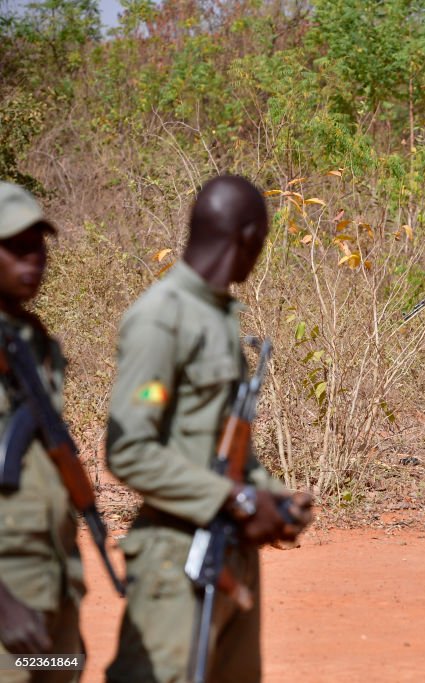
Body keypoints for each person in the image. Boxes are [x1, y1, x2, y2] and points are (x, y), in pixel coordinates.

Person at [105, 175, 313, 683]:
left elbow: (224, 447)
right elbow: (128, 449)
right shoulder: (162, 318)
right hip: (177, 559)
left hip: (232, 553)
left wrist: (274, 498)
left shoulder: (218, 317)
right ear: (246, 236)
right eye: (262, 241)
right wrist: (236, 500)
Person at [0, 183, 85, 683]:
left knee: (59, 671)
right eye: (16, 247)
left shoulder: (38, 343)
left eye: (39, 245)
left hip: (52, 582)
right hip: (8, 592)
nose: (34, 259)